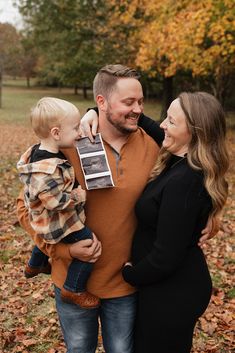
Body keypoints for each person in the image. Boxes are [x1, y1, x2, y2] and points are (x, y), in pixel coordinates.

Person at [17, 65, 215, 353]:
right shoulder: (66, 144)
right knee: (79, 349)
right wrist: (62, 251)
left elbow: (197, 178)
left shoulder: (157, 147)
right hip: (72, 283)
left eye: (141, 101)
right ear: (101, 102)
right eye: (128, 102)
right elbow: (26, 208)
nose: (137, 109)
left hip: (125, 286)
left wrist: (211, 216)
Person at [121, 92, 229, 353]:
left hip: (172, 293)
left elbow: (165, 257)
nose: (162, 126)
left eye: (171, 121)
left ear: (193, 132)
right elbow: (150, 125)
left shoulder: (186, 181)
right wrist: (95, 110)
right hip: (164, 287)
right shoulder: (182, 157)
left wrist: (130, 274)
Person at [17, 97, 100, 309]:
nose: (79, 133)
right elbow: (55, 202)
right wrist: (78, 196)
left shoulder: (39, 152)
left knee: (43, 235)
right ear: (56, 133)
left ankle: (35, 264)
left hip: (42, 221)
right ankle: (73, 288)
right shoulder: (48, 169)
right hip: (57, 221)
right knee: (90, 246)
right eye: (74, 129)